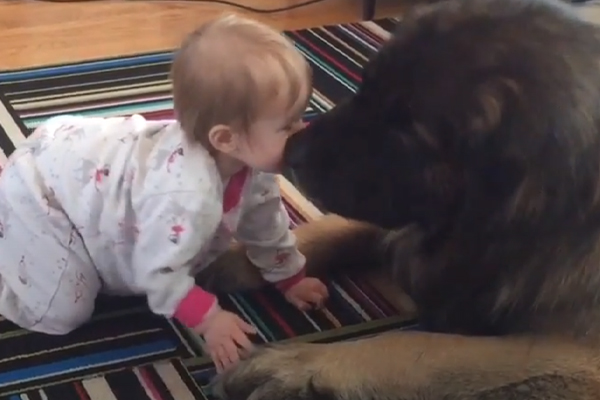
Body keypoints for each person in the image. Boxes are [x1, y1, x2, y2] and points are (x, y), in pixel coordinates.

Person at [0, 14, 329, 373]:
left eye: (302, 117)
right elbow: (156, 275)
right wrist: (210, 319)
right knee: (61, 312)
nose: (304, 132)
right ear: (225, 138)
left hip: (74, 166)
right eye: (288, 126)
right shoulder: (184, 197)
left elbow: (265, 224)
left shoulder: (250, 164)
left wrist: (290, 277)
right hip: (43, 195)